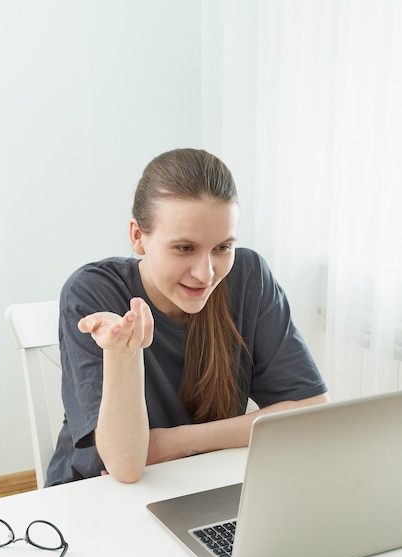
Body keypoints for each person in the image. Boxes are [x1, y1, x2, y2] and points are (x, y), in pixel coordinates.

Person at [46, 148, 329, 486]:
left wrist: (177, 442)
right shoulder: (92, 292)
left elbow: (311, 411)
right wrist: (123, 353)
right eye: (184, 248)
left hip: (203, 483)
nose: (206, 273)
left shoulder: (249, 275)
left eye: (222, 247)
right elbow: (126, 466)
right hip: (98, 495)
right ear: (138, 236)